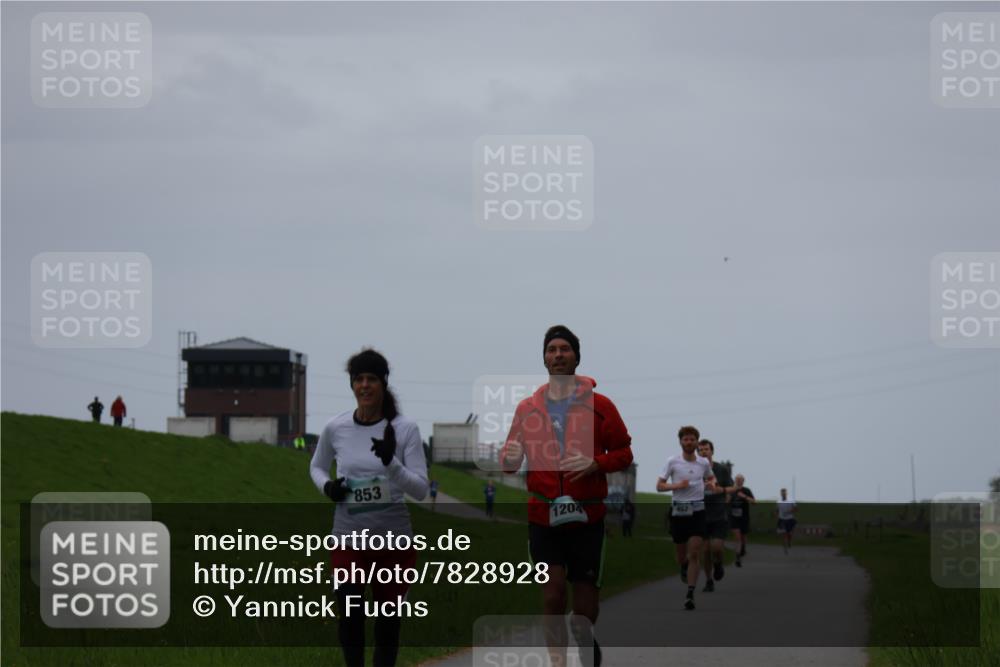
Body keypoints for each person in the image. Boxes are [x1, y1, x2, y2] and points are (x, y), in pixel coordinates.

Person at [500, 325, 633, 667]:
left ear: (576, 356)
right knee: (553, 592)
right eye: (551, 350)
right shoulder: (527, 409)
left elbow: (623, 452)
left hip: (587, 518)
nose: (557, 355)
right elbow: (509, 461)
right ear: (544, 358)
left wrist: (595, 464)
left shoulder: (601, 405)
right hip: (543, 517)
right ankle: (558, 663)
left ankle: (584, 637)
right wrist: (510, 457)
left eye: (564, 349)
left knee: (584, 611)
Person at [309, 349, 429, 667]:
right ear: (352, 385)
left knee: (387, 624)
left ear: (383, 383)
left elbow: (421, 490)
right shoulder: (336, 428)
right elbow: (317, 467)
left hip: (394, 542)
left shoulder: (405, 430)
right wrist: (329, 487)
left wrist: (391, 463)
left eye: (371, 379)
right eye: (358, 379)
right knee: (350, 613)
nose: (365, 386)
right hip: (348, 538)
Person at [657, 426, 717, 610]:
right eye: (686, 439)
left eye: (692, 439)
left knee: (694, 553)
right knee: (681, 556)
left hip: (698, 511)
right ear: (681, 442)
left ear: (697, 442)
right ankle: (683, 567)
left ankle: (690, 593)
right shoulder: (672, 462)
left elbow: (711, 478)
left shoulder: (703, 463)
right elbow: (659, 486)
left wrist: (711, 484)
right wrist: (676, 486)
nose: (689, 442)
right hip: (678, 512)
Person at [697, 439, 734, 593]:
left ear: (712, 451)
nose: (704, 452)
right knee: (705, 551)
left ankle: (718, 564)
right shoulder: (694, 470)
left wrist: (726, 499)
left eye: (706, 449)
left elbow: (730, 488)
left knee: (717, 547)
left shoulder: (721, 469)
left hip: (718, 515)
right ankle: (709, 580)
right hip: (701, 515)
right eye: (701, 450)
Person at [729, 474, 755, 567]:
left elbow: (753, 502)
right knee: (737, 537)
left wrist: (744, 497)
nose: (739, 481)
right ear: (735, 481)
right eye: (737, 479)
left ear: (743, 481)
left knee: (743, 537)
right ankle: (737, 557)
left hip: (744, 517)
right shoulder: (731, 490)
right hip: (734, 518)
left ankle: (743, 548)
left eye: (740, 480)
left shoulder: (746, 490)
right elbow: (726, 502)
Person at [776, 487, 798, 554]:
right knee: (783, 534)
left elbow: (796, 509)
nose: (783, 494)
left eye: (784, 492)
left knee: (789, 534)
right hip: (781, 519)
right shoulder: (778, 501)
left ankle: (789, 542)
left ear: (786, 493)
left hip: (789, 519)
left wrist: (789, 511)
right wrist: (776, 515)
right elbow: (777, 510)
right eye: (782, 493)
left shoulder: (791, 500)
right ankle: (785, 548)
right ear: (780, 494)